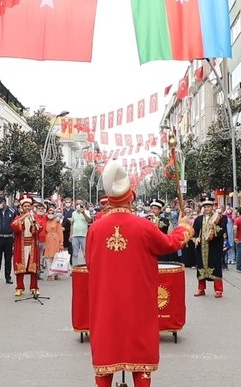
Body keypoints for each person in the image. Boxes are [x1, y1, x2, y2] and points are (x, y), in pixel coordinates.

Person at [86, 161, 193, 387]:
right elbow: (170, 243)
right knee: (140, 355)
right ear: (130, 198)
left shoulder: (95, 229)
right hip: (138, 303)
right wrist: (184, 226)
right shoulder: (143, 226)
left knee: (107, 349)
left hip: (105, 303)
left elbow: (90, 262)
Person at [192, 197, 227, 298]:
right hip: (201, 248)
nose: (207, 208)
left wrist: (213, 231)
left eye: (209, 206)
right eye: (205, 207)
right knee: (201, 268)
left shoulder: (219, 218)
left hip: (214, 247)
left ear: (212, 207)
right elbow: (194, 231)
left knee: (215, 266)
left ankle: (219, 290)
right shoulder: (198, 219)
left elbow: (222, 230)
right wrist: (195, 239)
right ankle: (201, 289)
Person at [10, 195, 41, 296]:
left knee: (33, 268)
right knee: (20, 267)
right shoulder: (18, 217)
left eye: (29, 206)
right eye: (25, 206)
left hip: (32, 245)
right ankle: (19, 287)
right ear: (22, 208)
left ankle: (34, 287)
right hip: (21, 245)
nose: (27, 208)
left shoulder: (34, 217)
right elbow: (14, 227)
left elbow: (38, 229)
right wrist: (24, 217)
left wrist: (33, 221)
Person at [43, 206, 65, 281]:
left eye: (52, 213)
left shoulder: (57, 221)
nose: (50, 214)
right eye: (49, 213)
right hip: (48, 241)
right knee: (48, 258)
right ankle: (49, 274)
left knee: (56, 258)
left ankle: (56, 274)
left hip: (55, 240)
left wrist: (61, 243)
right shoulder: (45, 221)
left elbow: (60, 233)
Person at [71, 199, 92, 266]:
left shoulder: (86, 212)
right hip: (75, 235)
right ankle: (75, 268)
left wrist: (83, 213)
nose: (78, 205)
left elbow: (89, 220)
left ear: (82, 204)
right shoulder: (73, 213)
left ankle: (87, 267)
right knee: (75, 253)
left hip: (84, 235)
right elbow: (72, 224)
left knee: (85, 253)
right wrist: (70, 235)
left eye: (80, 204)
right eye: (77, 204)